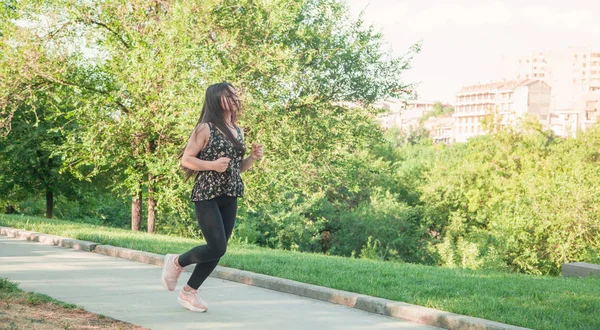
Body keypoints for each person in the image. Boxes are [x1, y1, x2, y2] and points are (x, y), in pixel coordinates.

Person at [160, 82, 263, 312]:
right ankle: (177, 262)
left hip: (231, 193)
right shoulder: (204, 128)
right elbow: (186, 159)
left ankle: (189, 293)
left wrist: (253, 158)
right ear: (217, 99)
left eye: (235, 94)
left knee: (220, 248)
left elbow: (237, 168)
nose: (235, 98)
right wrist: (213, 166)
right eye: (229, 94)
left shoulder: (238, 130)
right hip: (207, 193)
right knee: (216, 246)